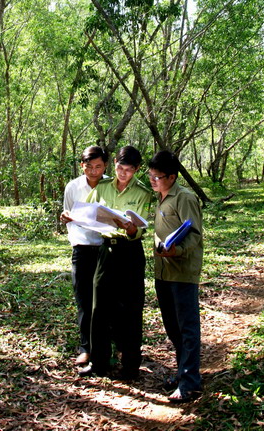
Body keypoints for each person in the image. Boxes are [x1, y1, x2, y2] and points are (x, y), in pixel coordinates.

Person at [79, 145, 151, 380]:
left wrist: (131, 229)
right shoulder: (103, 186)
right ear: (115, 165)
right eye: (120, 168)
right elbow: (88, 211)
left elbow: (140, 229)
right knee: (99, 307)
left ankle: (130, 366)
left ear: (137, 170)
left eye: (129, 170)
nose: (123, 173)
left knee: (131, 309)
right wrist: (74, 216)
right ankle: (99, 363)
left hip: (130, 253)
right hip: (106, 251)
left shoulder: (142, 193)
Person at [148, 150, 203, 403]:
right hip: (163, 272)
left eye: (157, 177)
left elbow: (194, 235)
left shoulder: (185, 198)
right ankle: (183, 373)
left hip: (182, 272)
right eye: (150, 175)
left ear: (171, 176)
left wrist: (176, 249)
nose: (152, 180)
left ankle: (190, 382)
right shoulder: (162, 197)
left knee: (187, 326)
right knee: (172, 327)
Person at [61, 145, 108, 366]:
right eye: (89, 166)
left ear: (105, 166)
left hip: (104, 247)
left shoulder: (110, 185)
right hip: (81, 247)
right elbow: (68, 211)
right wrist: (66, 218)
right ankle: (86, 348)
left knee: (106, 301)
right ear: (82, 166)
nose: (93, 171)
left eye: (98, 167)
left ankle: (107, 347)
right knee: (83, 299)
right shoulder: (73, 187)